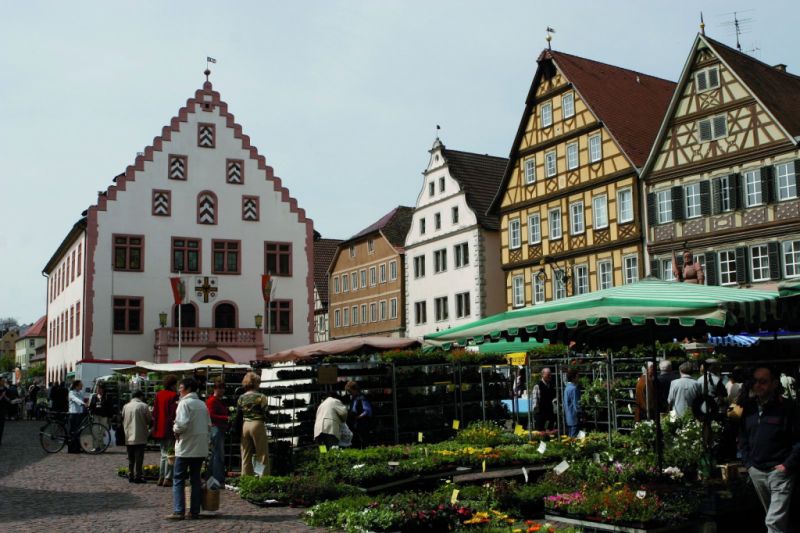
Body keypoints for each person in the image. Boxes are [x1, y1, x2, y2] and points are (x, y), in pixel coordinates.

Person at [739, 365, 800, 533]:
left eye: (763, 381)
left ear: (774, 384)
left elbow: (798, 440)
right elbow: (743, 437)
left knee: (773, 521)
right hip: (757, 470)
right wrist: (749, 464)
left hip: (779, 471)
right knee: (775, 519)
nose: (758, 385)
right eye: (755, 381)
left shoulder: (787, 408)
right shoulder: (749, 408)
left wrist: (787, 465)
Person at [166, 377, 211, 521]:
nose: (179, 390)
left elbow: (182, 424)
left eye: (181, 387)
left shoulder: (184, 404)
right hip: (199, 448)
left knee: (178, 478)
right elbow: (209, 425)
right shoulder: (202, 404)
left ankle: (179, 511)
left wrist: (175, 429)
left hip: (185, 447)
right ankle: (194, 511)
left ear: (188, 389)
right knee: (195, 479)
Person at [236, 372, 269, 477]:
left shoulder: (241, 397)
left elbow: (239, 413)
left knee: (245, 454)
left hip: (245, 425)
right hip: (257, 424)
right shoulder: (261, 396)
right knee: (261, 454)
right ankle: (262, 478)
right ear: (256, 383)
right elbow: (266, 413)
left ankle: (246, 479)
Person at [152, 374, 179, 487]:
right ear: (172, 385)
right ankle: (168, 478)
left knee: (163, 454)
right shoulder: (174, 395)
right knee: (170, 454)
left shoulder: (159, 394)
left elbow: (155, 412)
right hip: (169, 428)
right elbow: (175, 413)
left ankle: (161, 476)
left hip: (160, 427)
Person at [122, 390, 151, 483]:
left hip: (128, 435)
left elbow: (122, 417)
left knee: (131, 458)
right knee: (139, 458)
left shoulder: (126, 406)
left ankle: (130, 474)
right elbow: (149, 420)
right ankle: (138, 476)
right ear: (140, 396)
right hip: (140, 435)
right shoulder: (143, 406)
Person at [206, 378, 229, 484]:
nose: (222, 390)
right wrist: (226, 418)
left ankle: (211, 477)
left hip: (218, 428)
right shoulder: (212, 401)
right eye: (220, 388)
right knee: (218, 454)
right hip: (216, 428)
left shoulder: (218, 400)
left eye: (223, 388)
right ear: (214, 389)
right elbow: (211, 415)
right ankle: (218, 478)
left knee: (215, 454)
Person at [344, 381, 372, 448]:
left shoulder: (362, 398)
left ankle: (366, 455)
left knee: (364, 441)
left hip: (362, 423)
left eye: (350, 391)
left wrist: (358, 417)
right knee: (357, 442)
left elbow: (367, 411)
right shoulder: (354, 398)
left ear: (354, 389)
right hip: (356, 424)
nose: (349, 393)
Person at [89, 382, 114, 451]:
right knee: (95, 431)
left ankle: (101, 445)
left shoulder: (107, 396)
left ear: (103, 389)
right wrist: (90, 411)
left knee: (102, 431)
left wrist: (110, 417)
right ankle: (96, 447)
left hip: (104, 416)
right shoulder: (94, 396)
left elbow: (110, 407)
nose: (98, 390)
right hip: (96, 415)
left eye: (99, 388)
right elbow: (91, 406)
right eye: (97, 388)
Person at [563, 369, 581, 437]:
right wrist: (581, 414)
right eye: (577, 376)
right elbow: (576, 404)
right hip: (574, 417)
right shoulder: (574, 388)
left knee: (571, 437)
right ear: (573, 378)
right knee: (575, 438)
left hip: (569, 416)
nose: (578, 378)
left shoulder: (567, 388)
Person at [0, 377, 9, 445]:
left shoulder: (5, 389)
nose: (3, 382)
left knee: (2, 425)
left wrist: (10, 400)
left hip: (3, 409)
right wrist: (2, 396)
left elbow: (7, 398)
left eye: (4, 381)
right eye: (2, 381)